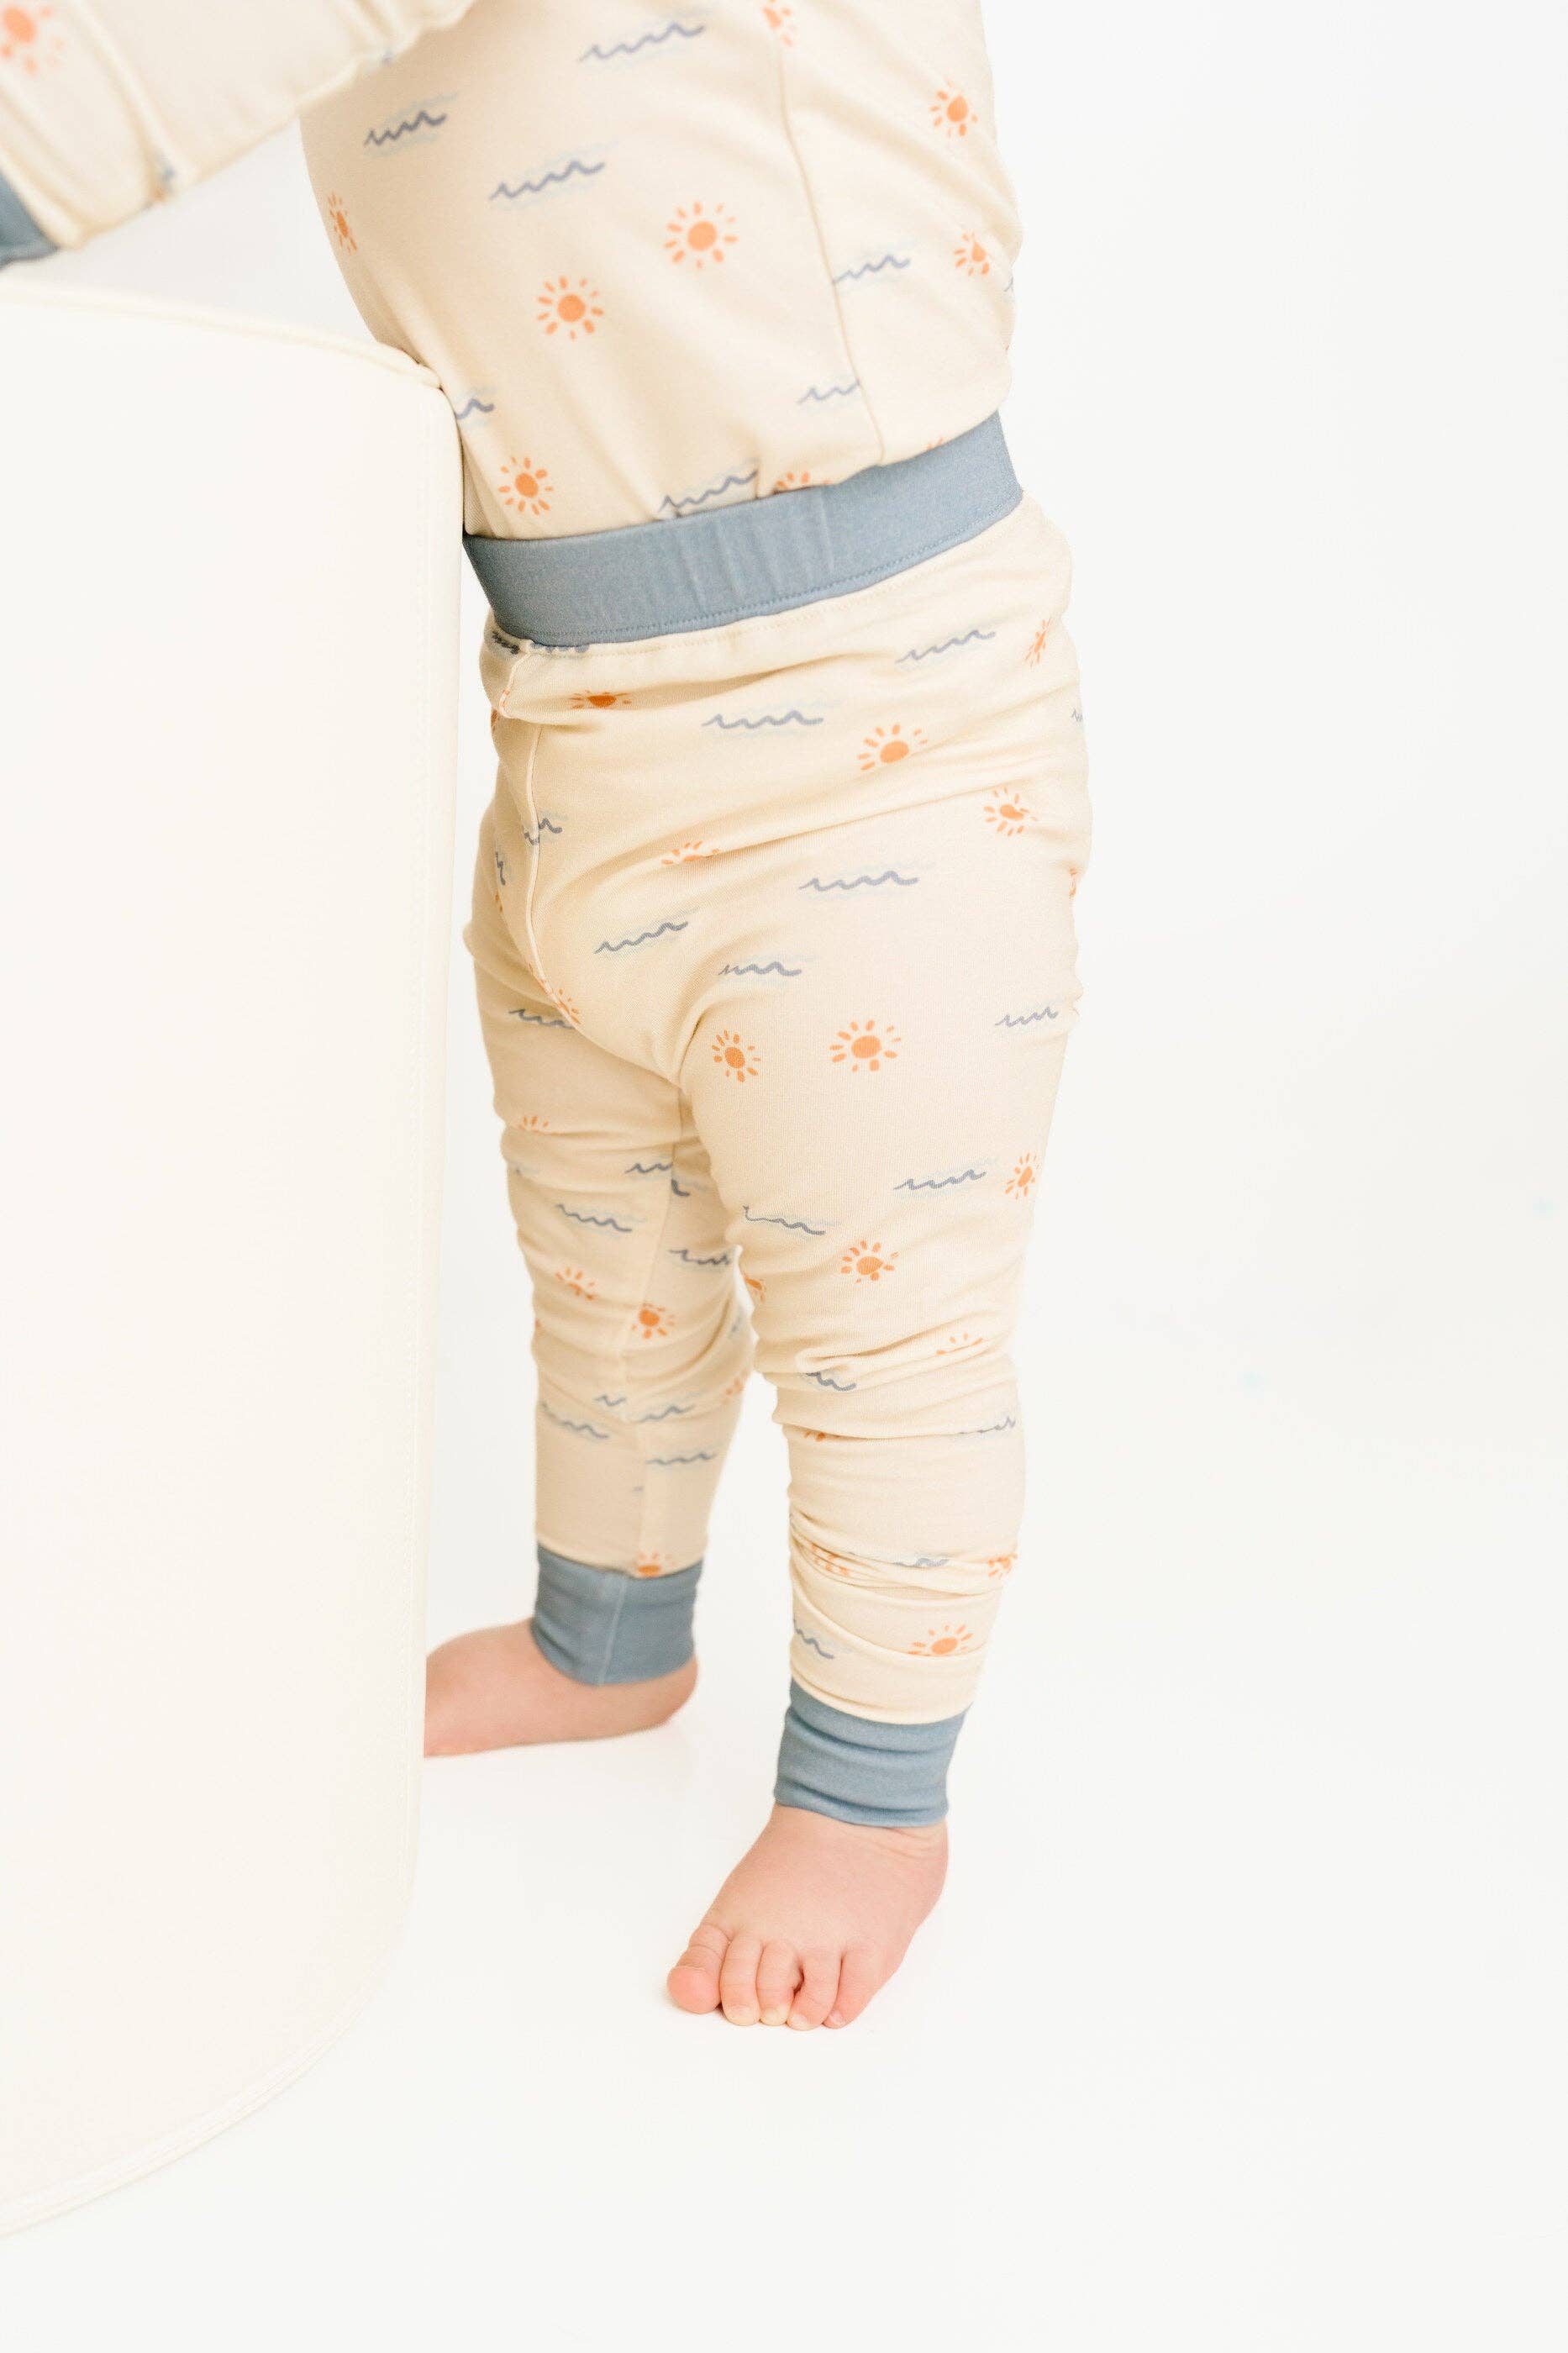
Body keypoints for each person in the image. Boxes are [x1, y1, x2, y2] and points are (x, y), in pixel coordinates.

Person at [1, 0, 1090, 2030]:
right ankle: (610, 1639)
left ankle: (872, 1804)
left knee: (887, 1326)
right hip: (576, 715)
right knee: (610, 1256)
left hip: (876, 739)